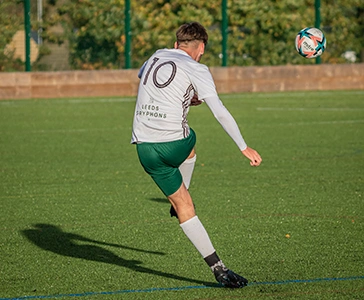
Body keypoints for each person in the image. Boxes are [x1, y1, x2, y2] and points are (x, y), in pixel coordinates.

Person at [131, 22, 262, 288]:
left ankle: (219, 268)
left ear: (177, 43)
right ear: (200, 47)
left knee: (183, 205)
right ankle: (219, 269)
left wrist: (182, 94)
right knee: (190, 139)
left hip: (144, 149)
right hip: (172, 144)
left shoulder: (156, 55)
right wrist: (243, 146)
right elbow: (220, 111)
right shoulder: (197, 67)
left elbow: (142, 76)